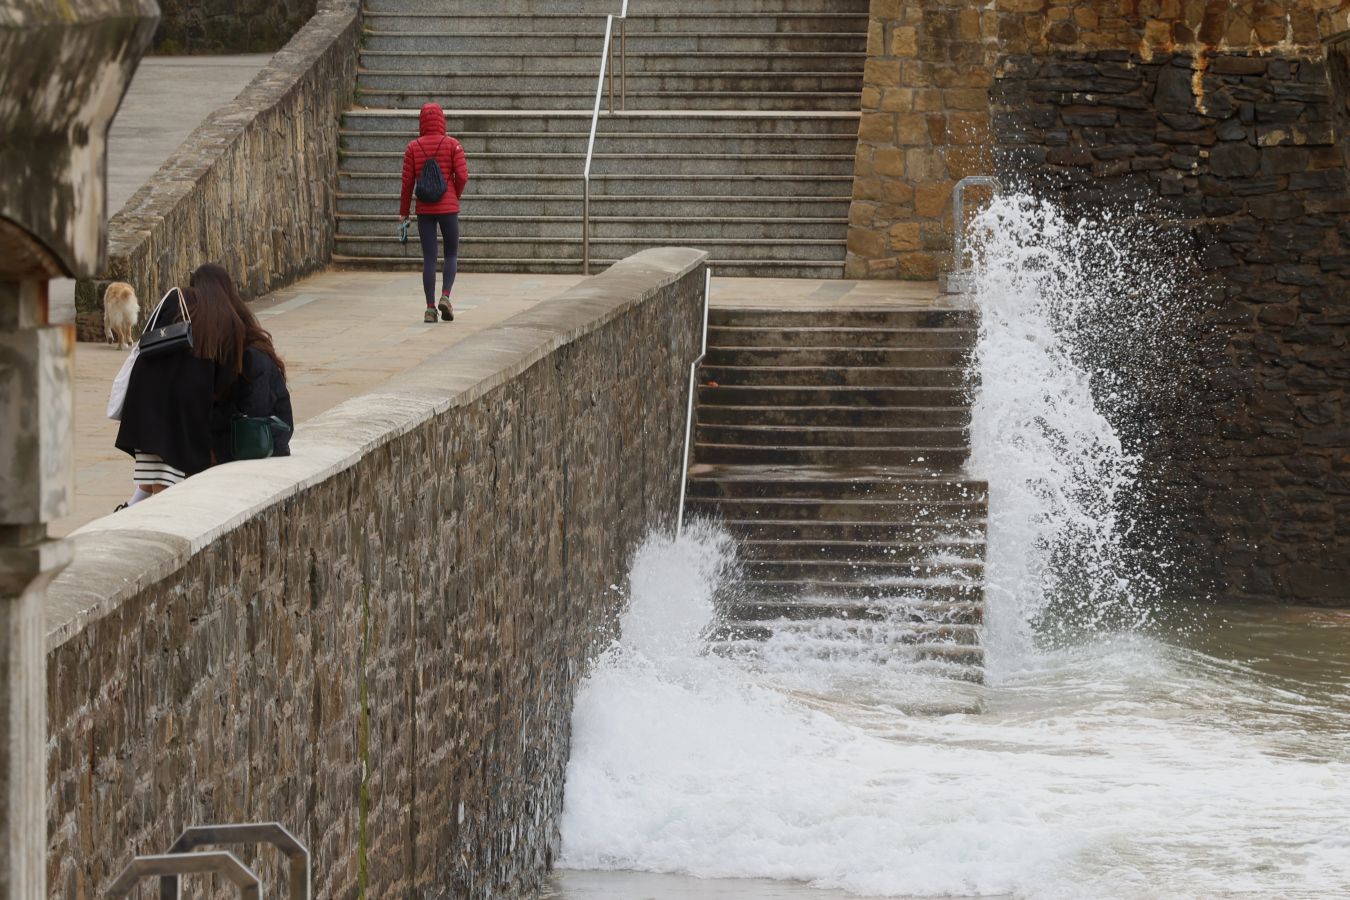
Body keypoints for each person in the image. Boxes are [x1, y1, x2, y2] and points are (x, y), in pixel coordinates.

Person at [114, 264, 293, 507]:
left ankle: (128, 513)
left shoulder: (183, 306)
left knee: (155, 478)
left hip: (144, 403)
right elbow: (223, 379)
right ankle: (134, 517)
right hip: (175, 415)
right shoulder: (223, 318)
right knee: (166, 491)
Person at [190, 263, 294, 463]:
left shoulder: (252, 356)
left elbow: (253, 419)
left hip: (261, 444)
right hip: (236, 441)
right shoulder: (224, 351)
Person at [399, 101, 469, 324]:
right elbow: (463, 175)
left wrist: (404, 213)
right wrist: (453, 196)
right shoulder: (452, 145)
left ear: (422, 121)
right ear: (442, 120)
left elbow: (407, 182)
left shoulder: (412, 147)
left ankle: (430, 308)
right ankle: (446, 296)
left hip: (424, 209)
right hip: (448, 208)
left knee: (429, 258)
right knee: (451, 254)